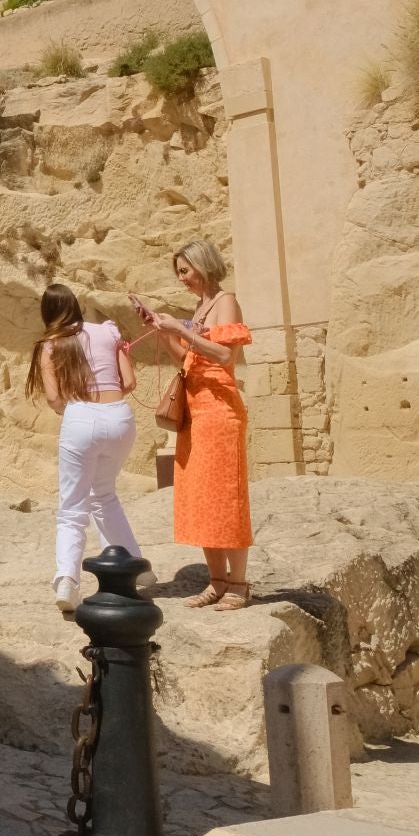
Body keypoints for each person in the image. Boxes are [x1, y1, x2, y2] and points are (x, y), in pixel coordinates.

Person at [26, 284, 153, 612]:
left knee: (72, 507)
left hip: (82, 417)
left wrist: (71, 409)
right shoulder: (108, 331)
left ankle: (67, 581)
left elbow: (55, 398)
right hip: (120, 419)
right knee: (104, 494)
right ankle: (137, 569)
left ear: (48, 312)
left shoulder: (51, 345)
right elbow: (128, 383)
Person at [148, 239, 253, 611]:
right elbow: (188, 358)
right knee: (203, 495)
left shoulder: (226, 301)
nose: (182, 279)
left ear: (203, 265)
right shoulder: (201, 307)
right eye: (179, 272)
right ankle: (218, 582)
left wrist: (183, 329)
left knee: (226, 494)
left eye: (185, 270)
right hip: (196, 407)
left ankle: (239, 585)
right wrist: (165, 332)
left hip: (219, 408)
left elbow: (225, 356)